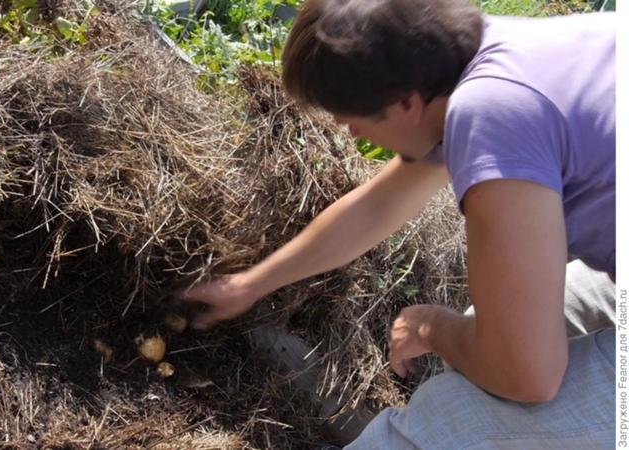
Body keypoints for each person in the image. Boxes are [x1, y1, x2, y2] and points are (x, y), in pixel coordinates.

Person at [179, 0, 616, 448]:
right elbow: (375, 208)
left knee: (422, 434)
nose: (352, 135)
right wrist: (249, 285)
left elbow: (528, 375)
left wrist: (428, 325)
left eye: (352, 120)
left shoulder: (494, 115)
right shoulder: (482, 54)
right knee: (481, 348)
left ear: (406, 103)